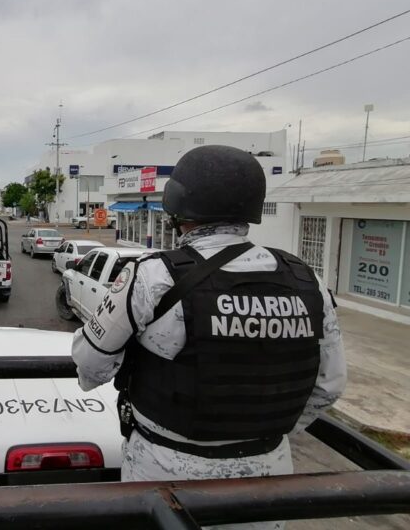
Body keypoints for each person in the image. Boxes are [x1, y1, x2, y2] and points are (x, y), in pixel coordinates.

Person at [72, 145, 346, 530]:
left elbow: (91, 363)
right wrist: (262, 429)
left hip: (166, 479)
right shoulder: (306, 280)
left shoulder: (154, 276)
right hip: (269, 481)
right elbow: (330, 385)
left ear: (178, 204)